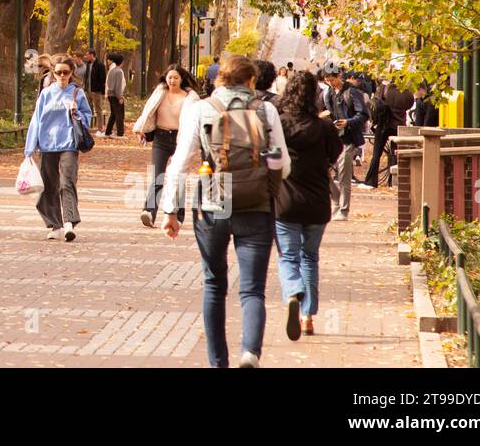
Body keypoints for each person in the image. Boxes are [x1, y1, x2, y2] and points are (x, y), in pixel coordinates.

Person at [159, 54, 291, 368]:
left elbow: (181, 162)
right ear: (251, 81)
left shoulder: (201, 108)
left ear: (219, 80)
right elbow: (283, 165)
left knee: (215, 284)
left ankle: (218, 362)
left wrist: (170, 211)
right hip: (256, 205)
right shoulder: (266, 109)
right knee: (252, 289)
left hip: (212, 204)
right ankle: (250, 352)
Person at [274, 71, 341, 339]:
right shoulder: (324, 128)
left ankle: (292, 291)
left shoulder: (280, 125)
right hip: (317, 202)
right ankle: (307, 316)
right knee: (310, 258)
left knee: (289, 256)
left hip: (286, 200)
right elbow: (334, 154)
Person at [23, 56, 92, 241]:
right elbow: (36, 120)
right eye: (59, 72)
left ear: (71, 73)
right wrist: (30, 148)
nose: (62, 75)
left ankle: (69, 222)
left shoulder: (77, 93)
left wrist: (77, 111)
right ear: (53, 73)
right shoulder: (46, 93)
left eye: (66, 72)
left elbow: (87, 117)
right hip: (47, 144)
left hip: (69, 143)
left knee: (66, 182)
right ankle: (55, 225)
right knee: (48, 185)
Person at [131, 64, 199, 228]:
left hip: (180, 139)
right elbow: (147, 113)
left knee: (178, 176)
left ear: (182, 79)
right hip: (161, 138)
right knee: (157, 175)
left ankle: (178, 215)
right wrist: (141, 129)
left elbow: (194, 120)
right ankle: (149, 212)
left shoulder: (190, 98)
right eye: (170, 77)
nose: (172, 80)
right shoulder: (159, 93)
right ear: (165, 78)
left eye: (176, 77)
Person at [324, 65, 368, 221]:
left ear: (339, 76)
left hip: (348, 138)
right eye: (327, 80)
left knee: (343, 175)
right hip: (332, 137)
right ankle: (336, 202)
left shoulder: (352, 92)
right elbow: (328, 110)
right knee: (324, 172)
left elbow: (363, 114)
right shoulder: (328, 93)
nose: (330, 83)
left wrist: (348, 122)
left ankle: (343, 209)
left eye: (332, 80)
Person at [103, 53, 127, 137]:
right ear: (121, 62)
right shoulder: (119, 71)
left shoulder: (111, 70)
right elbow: (118, 86)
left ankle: (108, 131)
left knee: (113, 114)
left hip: (110, 95)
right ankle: (120, 133)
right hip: (115, 95)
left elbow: (109, 84)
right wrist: (119, 97)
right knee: (120, 114)